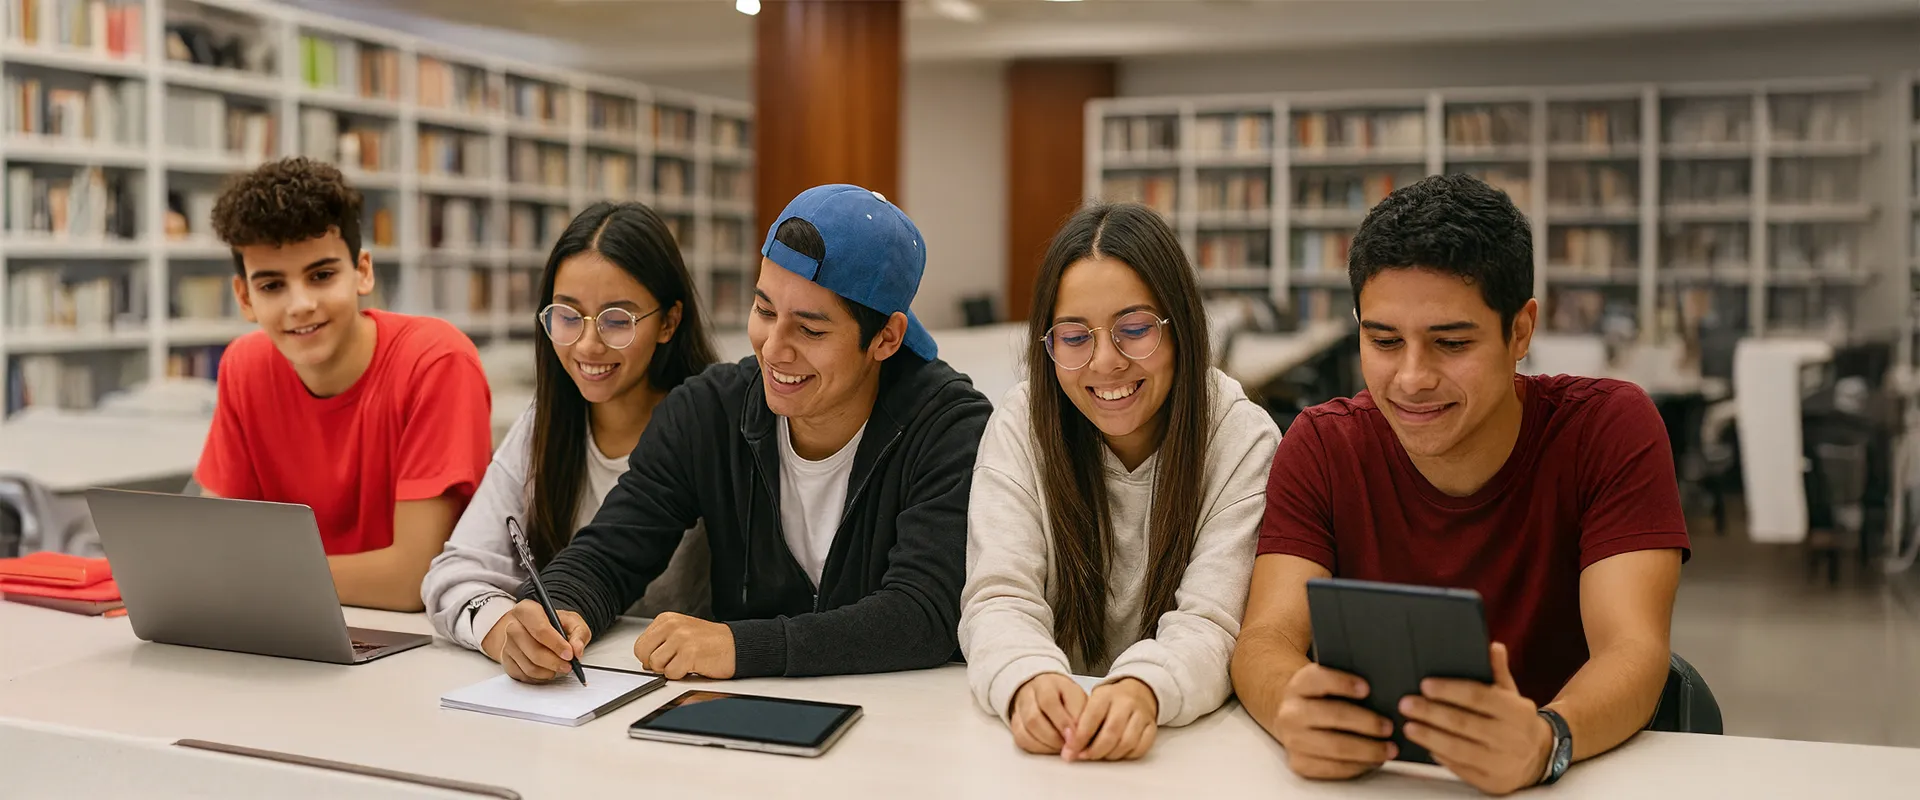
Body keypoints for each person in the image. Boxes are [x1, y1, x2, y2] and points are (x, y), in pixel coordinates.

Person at [1232, 173, 1690, 794]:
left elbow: (1632, 650)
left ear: (1520, 332)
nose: (1412, 378)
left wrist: (1545, 739)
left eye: (1451, 342)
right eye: (1384, 340)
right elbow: (1266, 638)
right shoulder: (1321, 444)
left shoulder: (1609, 429)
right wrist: (1294, 707)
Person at [489, 184, 992, 683]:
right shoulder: (707, 411)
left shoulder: (948, 427)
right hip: (736, 723)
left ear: (887, 338)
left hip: (904, 731)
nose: (773, 348)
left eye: (810, 330)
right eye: (765, 311)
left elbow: (922, 615)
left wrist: (740, 645)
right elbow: (611, 551)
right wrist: (553, 607)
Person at [960, 204, 1280, 762]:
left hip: (1186, 755)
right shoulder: (1020, 423)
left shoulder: (1239, 436)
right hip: (1049, 756)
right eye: (1074, 337)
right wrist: (1026, 677)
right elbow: (998, 597)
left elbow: (1215, 621)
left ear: (1180, 327)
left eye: (1134, 330)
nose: (1106, 362)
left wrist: (1144, 689)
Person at [193, 157, 493, 612]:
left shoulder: (436, 360)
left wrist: (249, 574)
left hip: (419, 641)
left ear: (363, 272)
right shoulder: (243, 365)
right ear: (244, 297)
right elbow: (210, 545)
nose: (300, 304)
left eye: (321, 275)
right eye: (273, 286)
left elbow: (413, 578)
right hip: (286, 620)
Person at [421, 202, 720, 657]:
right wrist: (507, 634)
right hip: (571, 682)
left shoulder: (710, 426)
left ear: (669, 322)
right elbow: (455, 570)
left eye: (617, 320)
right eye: (567, 316)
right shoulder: (546, 422)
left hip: (679, 681)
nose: (587, 344)